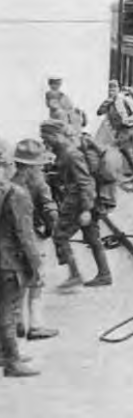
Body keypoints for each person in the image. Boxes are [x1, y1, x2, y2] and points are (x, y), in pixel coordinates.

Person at [41, 120, 112, 289]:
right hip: (82, 200)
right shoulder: (64, 152)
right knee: (93, 237)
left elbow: (85, 182)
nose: (45, 142)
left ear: (57, 135)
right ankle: (105, 274)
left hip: (78, 202)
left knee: (59, 235)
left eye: (47, 137)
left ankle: (75, 275)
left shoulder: (72, 154)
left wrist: (87, 209)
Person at [0, 138, 42, 377]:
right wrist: (36, 266)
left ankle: (4, 353)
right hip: (9, 261)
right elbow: (25, 235)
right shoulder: (18, 194)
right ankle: (12, 362)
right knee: (8, 310)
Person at [11, 140, 59, 341]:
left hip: (13, 239)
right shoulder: (40, 184)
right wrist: (51, 230)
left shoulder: (10, 182)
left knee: (20, 281)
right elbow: (50, 212)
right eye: (39, 164)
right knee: (37, 282)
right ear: (32, 166)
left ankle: (18, 323)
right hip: (35, 238)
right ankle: (36, 325)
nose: (42, 167)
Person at [97, 80, 133, 179]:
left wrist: (127, 119)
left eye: (114, 90)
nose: (112, 92)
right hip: (118, 130)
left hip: (127, 128)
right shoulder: (109, 101)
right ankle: (130, 170)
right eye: (110, 90)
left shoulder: (125, 100)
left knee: (119, 147)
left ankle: (131, 171)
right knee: (124, 150)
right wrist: (106, 103)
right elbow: (99, 112)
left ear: (118, 89)